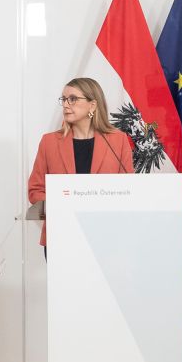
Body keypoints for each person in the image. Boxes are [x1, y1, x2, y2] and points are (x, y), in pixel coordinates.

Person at [25, 75, 135, 247]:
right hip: (61, 236)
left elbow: (129, 189)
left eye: (73, 99)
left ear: (93, 105)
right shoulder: (49, 142)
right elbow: (35, 190)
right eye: (64, 99)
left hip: (107, 237)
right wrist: (64, 206)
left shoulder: (117, 141)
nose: (66, 104)